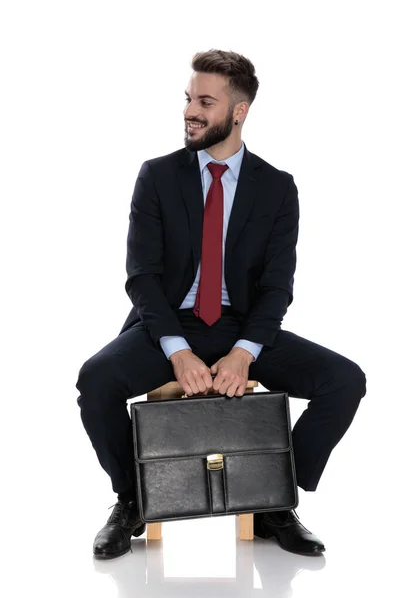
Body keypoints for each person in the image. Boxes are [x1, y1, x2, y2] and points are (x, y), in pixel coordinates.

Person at [76, 49, 367, 560]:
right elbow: (141, 276)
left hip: (242, 324)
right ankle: (132, 498)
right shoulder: (158, 176)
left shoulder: (277, 188)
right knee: (96, 379)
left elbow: (278, 286)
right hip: (167, 323)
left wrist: (245, 351)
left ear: (239, 111)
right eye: (188, 98)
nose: (190, 110)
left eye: (205, 101)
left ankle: (277, 498)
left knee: (345, 380)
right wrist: (177, 351)